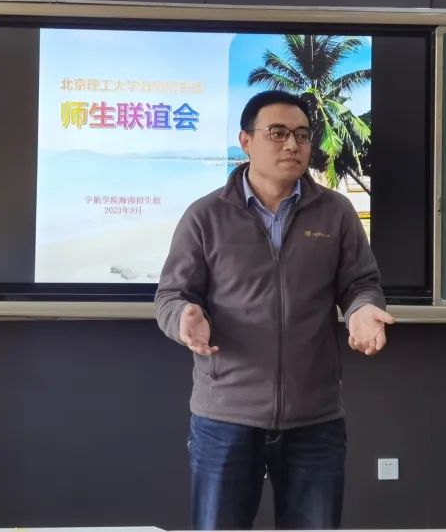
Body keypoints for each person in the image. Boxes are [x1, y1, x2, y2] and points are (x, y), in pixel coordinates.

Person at [155, 89, 392, 530]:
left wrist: (362, 310)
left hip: (314, 417)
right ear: (246, 141)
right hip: (225, 415)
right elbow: (170, 296)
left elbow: (360, 284)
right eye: (278, 133)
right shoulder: (206, 216)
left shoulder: (335, 213)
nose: (292, 145)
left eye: (302, 135)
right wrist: (184, 317)